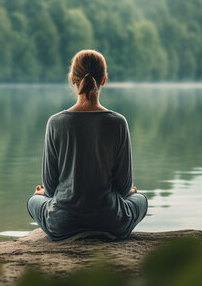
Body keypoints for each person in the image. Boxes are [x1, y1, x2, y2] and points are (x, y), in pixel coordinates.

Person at [27, 50, 148, 241]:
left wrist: (42, 194)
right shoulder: (118, 123)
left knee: (34, 200)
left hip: (63, 223)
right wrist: (129, 193)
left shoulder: (55, 122)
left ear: (73, 80)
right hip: (110, 221)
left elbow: (49, 189)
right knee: (140, 199)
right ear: (104, 79)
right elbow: (124, 187)